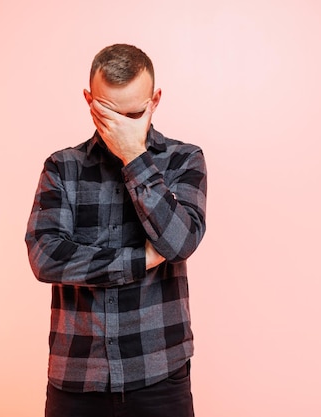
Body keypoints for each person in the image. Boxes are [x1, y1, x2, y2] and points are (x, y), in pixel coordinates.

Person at [25, 43, 207, 417]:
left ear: (155, 99)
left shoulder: (184, 159)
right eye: (108, 114)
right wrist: (138, 260)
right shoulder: (62, 167)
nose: (120, 126)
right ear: (89, 100)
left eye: (134, 113)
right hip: (77, 379)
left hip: (160, 376)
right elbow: (46, 257)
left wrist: (134, 157)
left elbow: (180, 241)